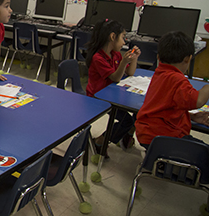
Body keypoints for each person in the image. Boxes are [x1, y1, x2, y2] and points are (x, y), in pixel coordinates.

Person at [135, 31, 209, 149]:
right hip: (165, 137)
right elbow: (198, 100)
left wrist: (191, 117)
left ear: (158, 56)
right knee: (203, 153)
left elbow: (166, 107)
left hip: (148, 133)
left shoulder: (159, 73)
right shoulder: (177, 80)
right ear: (188, 59)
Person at [85, 19, 141, 151]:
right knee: (126, 121)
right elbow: (115, 77)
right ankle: (100, 141)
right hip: (98, 96)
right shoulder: (98, 58)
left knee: (138, 114)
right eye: (123, 37)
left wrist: (134, 58)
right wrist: (124, 62)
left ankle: (125, 137)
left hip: (112, 94)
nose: (124, 42)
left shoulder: (115, 54)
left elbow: (130, 72)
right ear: (112, 36)